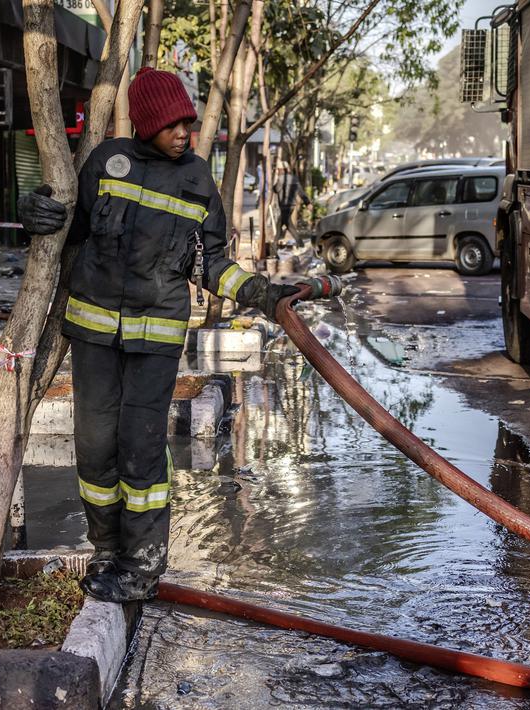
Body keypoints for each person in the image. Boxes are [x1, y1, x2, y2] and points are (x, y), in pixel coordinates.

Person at [17, 68, 340, 603]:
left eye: (188, 123)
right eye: (173, 125)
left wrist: (262, 293)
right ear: (146, 124)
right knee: (94, 449)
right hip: (94, 335)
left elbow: (210, 263)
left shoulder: (196, 179)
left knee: (140, 447)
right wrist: (32, 213)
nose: (184, 134)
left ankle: (142, 565)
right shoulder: (106, 162)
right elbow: (70, 229)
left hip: (156, 343)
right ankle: (106, 550)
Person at [273, 162, 309, 243]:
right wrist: (307, 203)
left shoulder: (281, 179)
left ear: (282, 170)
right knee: (287, 226)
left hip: (284, 206)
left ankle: (274, 245)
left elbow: (276, 189)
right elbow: (301, 192)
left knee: (282, 226)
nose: (278, 171)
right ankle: (299, 243)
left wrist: (275, 179)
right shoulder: (294, 179)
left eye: (278, 169)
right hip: (291, 206)